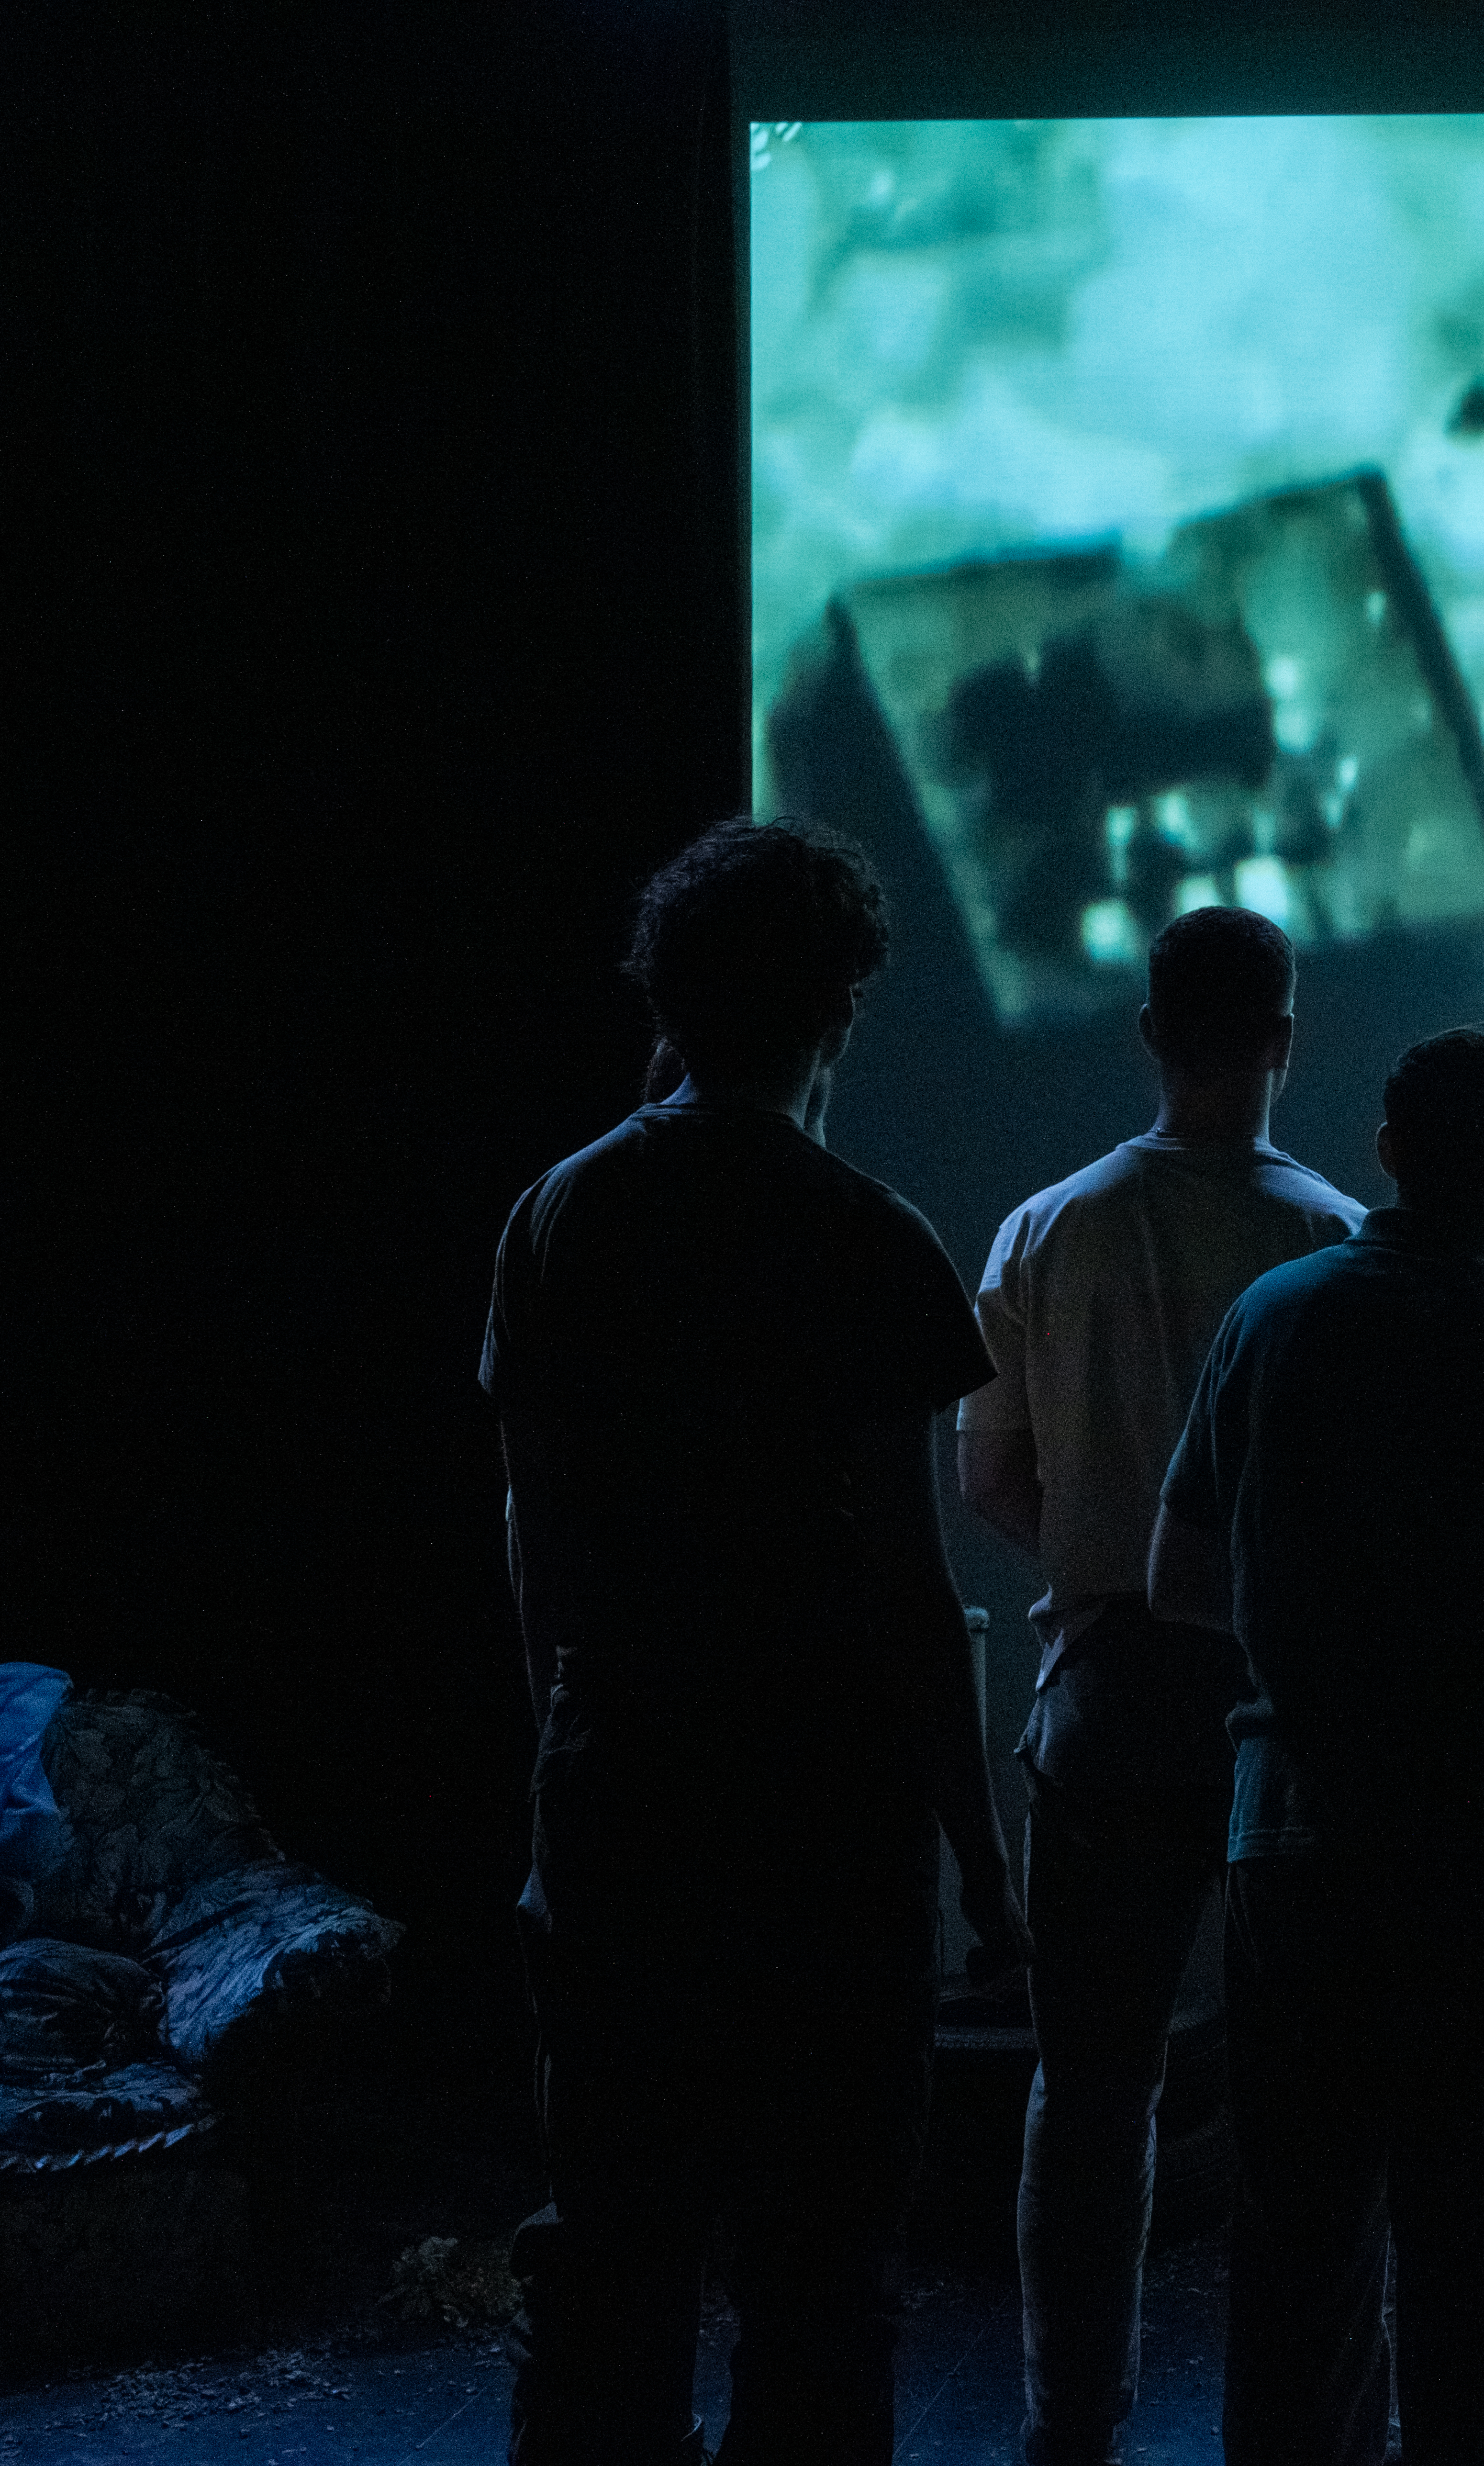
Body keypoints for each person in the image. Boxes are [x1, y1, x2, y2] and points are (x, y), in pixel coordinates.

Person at [482, 818, 1023, 2466]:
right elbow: (907, 1589)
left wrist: (560, 1759)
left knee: (613, 2247)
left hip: (626, 1782)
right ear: (838, 1010)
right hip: (827, 1814)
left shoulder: (563, 1213)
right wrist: (979, 1861)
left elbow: (538, 1536)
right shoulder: (870, 1233)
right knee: (822, 2269)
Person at [1150, 1022, 1484, 2466]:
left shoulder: (1274, 1315)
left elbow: (1182, 1578)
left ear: (1384, 1150)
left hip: (1295, 1834)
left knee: (1301, 2243)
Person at [955, 905, 1364, 2466]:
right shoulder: (1326, 1239)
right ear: (1283, 1039)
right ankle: (1296, 2423)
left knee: (1092, 2081)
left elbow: (996, 1476)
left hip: (1105, 1690)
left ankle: (1072, 2422)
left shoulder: (1044, 1230)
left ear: (1145, 1035)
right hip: (1277, 1697)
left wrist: (1097, 1550)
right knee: (1300, 2092)